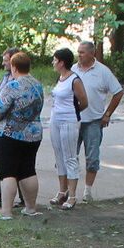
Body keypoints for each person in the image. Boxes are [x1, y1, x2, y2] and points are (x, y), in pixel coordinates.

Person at [0, 51, 44, 220]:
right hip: (33, 133)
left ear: (14, 67)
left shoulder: (13, 86)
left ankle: (6, 211)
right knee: (28, 170)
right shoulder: (37, 84)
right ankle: (30, 208)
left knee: (8, 172)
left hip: (11, 134)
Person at [72, 41, 124, 203]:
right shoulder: (73, 69)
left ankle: (87, 191)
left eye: (82, 52)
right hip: (74, 120)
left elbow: (118, 92)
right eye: (78, 52)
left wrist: (107, 114)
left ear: (92, 53)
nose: (79, 55)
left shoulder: (103, 71)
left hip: (93, 121)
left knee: (92, 157)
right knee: (70, 156)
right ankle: (67, 190)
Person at [47, 48, 89, 210]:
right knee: (59, 156)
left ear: (62, 62)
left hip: (69, 121)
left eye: (55, 60)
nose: (53, 62)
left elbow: (83, 101)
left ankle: (72, 196)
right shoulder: (61, 78)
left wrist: (73, 113)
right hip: (55, 120)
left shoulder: (74, 80)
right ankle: (62, 191)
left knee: (70, 157)